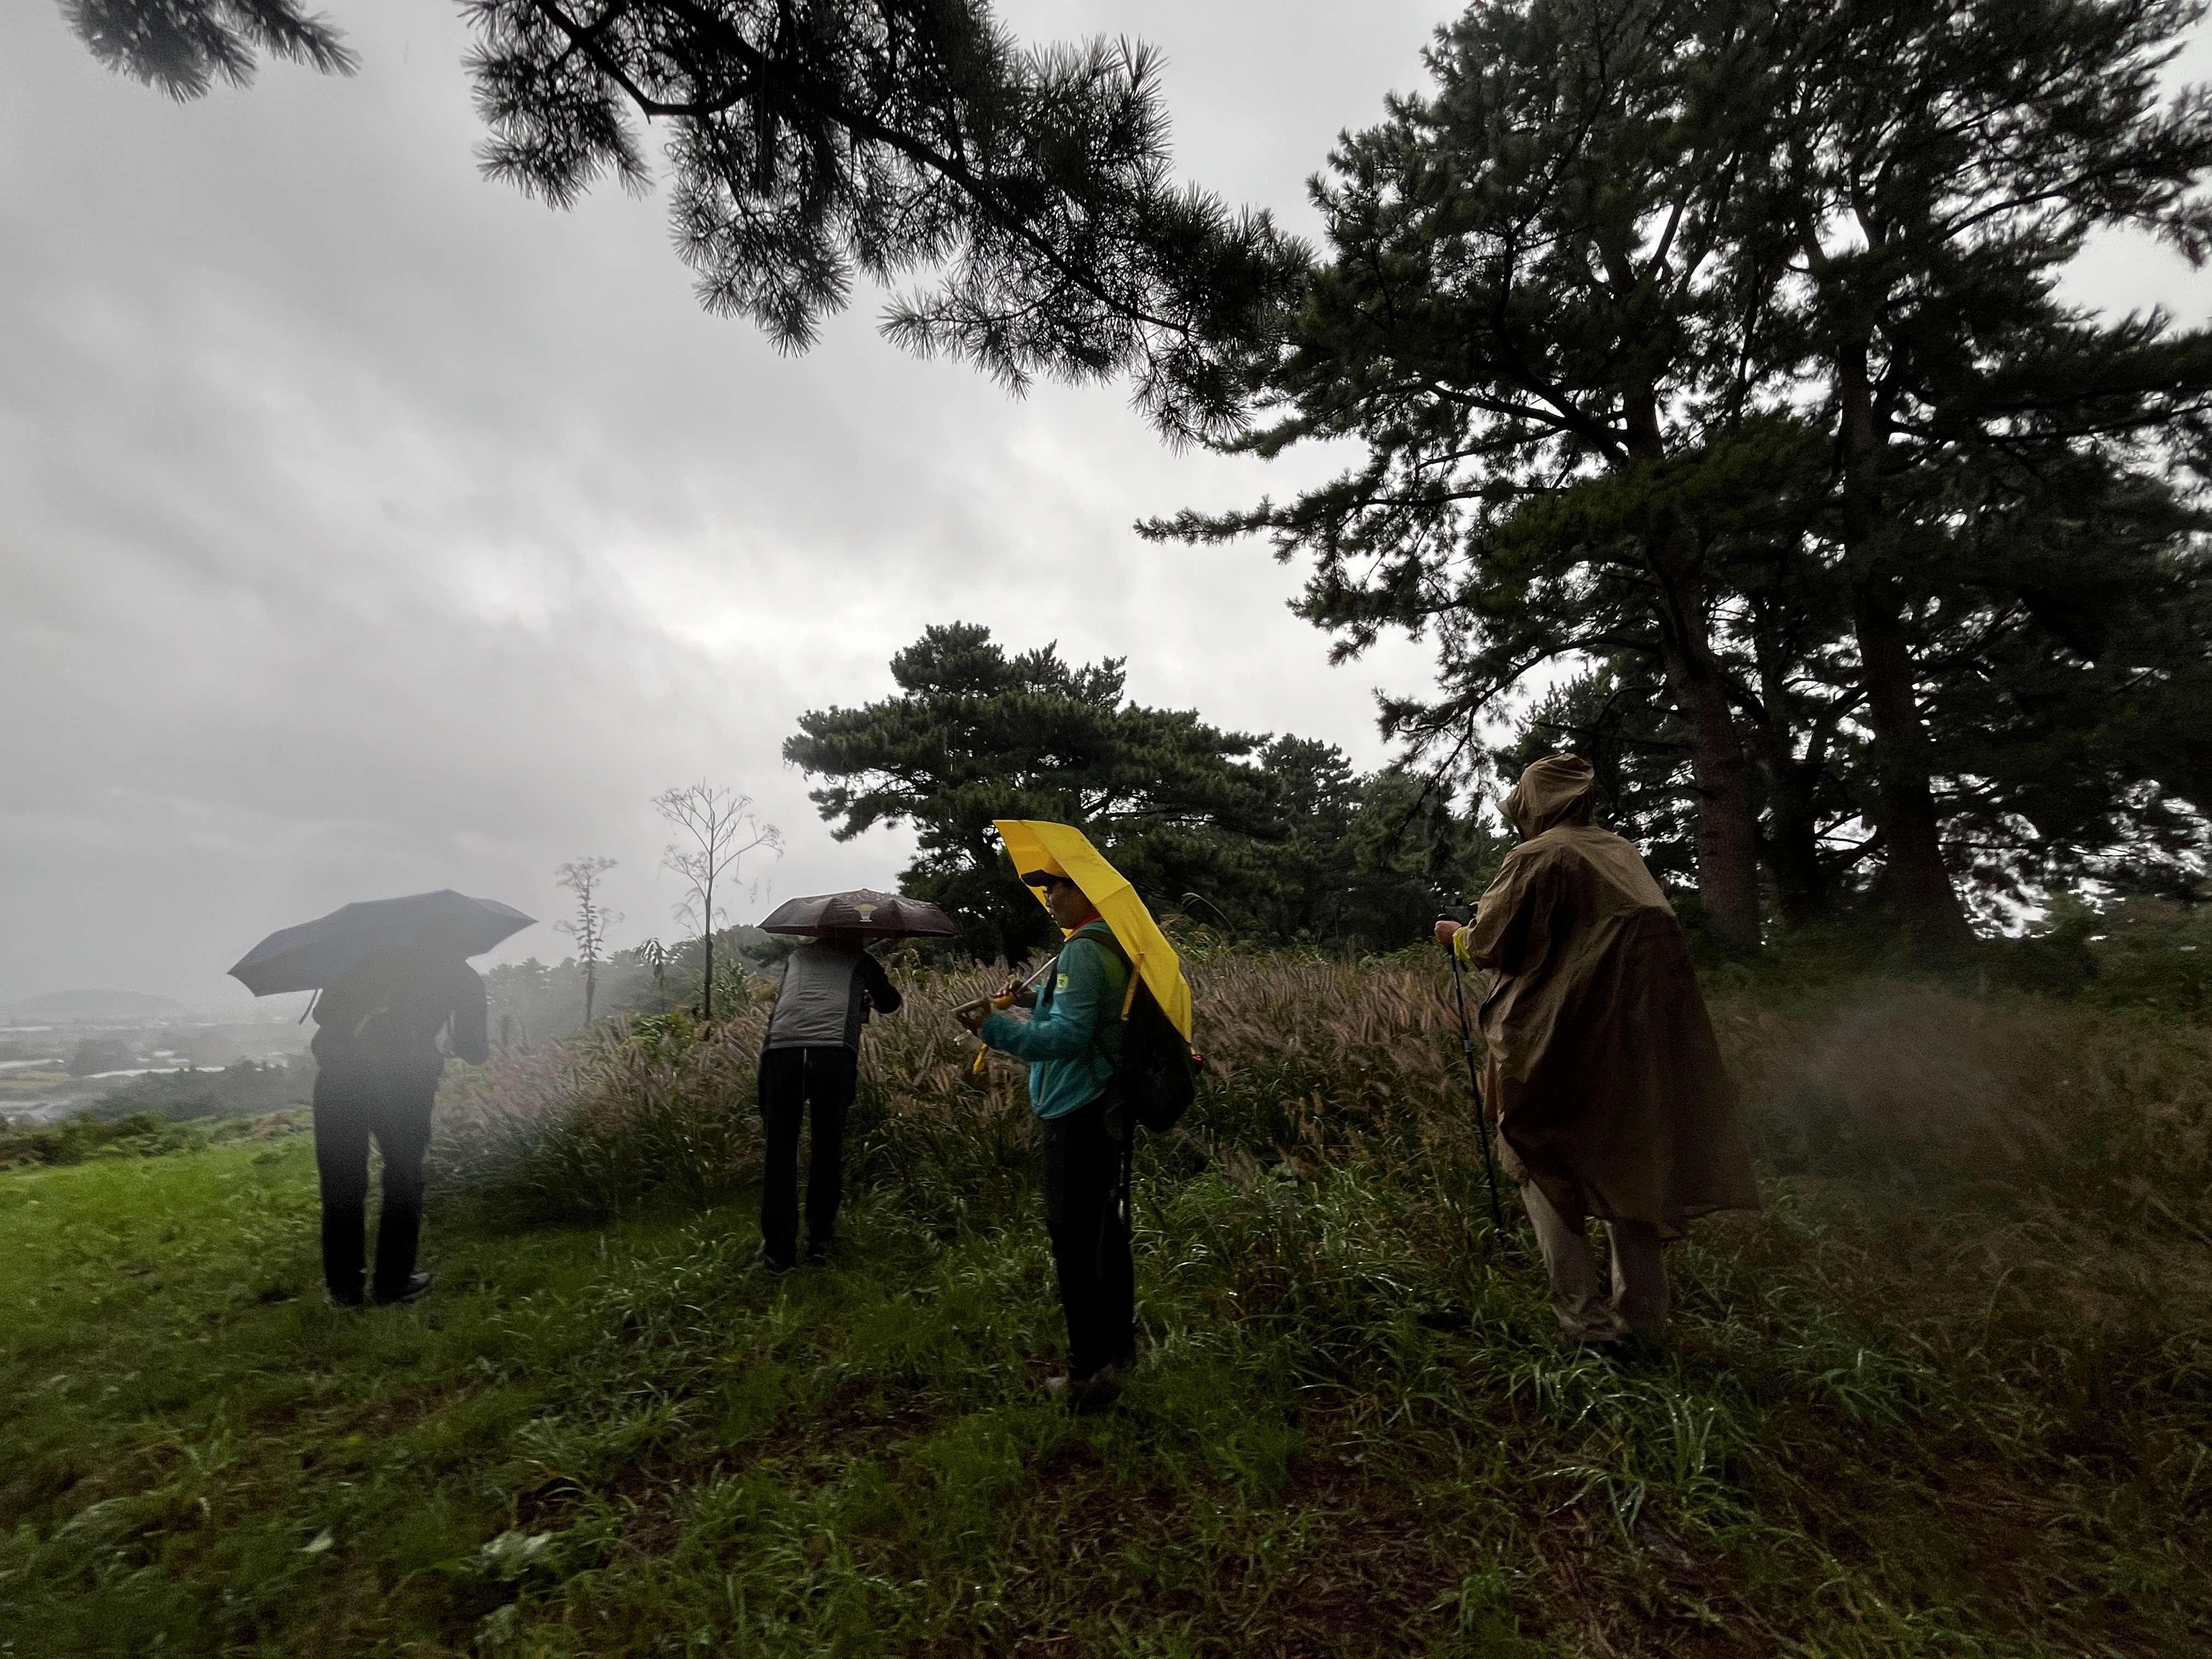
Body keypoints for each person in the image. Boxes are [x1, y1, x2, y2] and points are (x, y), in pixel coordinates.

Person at [1435, 753, 1760, 1349]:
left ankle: (1583, 1327)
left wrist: (1455, 936)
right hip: (1635, 1054)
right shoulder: (1621, 853)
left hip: (1550, 1048)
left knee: (1537, 1160)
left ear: (1534, 805)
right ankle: (1643, 1328)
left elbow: (1490, 946)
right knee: (1628, 1171)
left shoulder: (1537, 856)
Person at [956, 861, 1131, 1410]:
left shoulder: (1082, 950)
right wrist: (1032, 1002)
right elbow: (1085, 1013)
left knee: (1074, 1241)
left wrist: (994, 1027)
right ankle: (1118, 1352)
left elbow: (1069, 1037)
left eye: (1055, 887)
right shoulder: (1107, 944)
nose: (1048, 898)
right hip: (1104, 1106)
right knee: (1104, 1234)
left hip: (1075, 1109)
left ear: (1083, 890)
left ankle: (1086, 1376)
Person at [308, 927, 489, 1307]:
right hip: (405, 1082)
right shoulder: (464, 977)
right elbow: (475, 1051)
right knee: (404, 1177)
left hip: (340, 1075)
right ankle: (393, 1283)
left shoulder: (371, 957)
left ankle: (344, 1289)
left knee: (342, 1180)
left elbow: (324, 1014)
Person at [755, 929, 902, 1272]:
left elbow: (790, 1002)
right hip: (833, 1054)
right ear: (856, 935)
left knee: (779, 1151)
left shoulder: (797, 957)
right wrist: (869, 997)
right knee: (827, 1147)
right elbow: (892, 1004)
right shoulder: (862, 959)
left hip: (782, 1051)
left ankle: (778, 1253)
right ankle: (819, 1242)